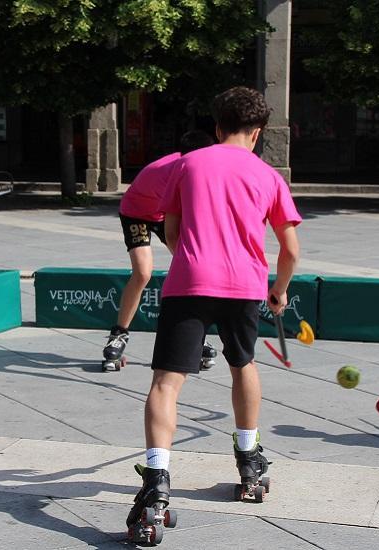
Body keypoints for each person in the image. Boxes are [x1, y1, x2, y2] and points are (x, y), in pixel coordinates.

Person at [126, 87, 302, 535]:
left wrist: (189, 255)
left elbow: (170, 226)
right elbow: (290, 249)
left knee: (166, 381)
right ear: (258, 132)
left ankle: (157, 480)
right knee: (242, 363)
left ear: (217, 126)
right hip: (245, 286)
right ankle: (248, 456)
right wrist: (278, 291)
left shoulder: (187, 164)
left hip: (189, 283)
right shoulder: (268, 176)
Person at [102, 130, 216, 372]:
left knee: (193, 268)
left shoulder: (198, 165)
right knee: (143, 273)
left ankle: (195, 333)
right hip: (136, 212)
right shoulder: (173, 174)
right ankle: (119, 334)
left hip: (163, 213)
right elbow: (183, 221)